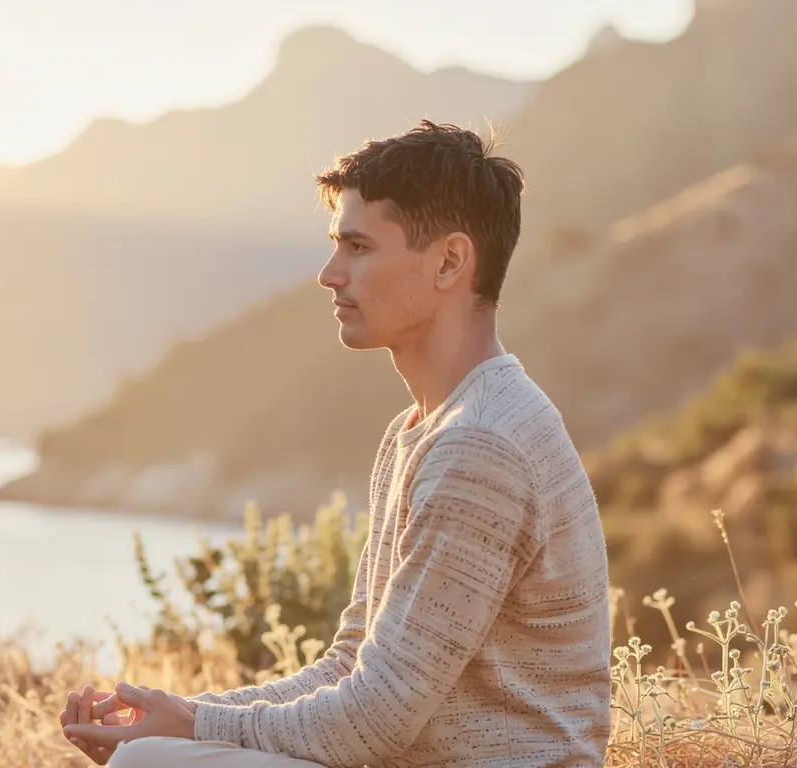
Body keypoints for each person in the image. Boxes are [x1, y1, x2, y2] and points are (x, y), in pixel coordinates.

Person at [58, 120, 613, 767]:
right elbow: (350, 667)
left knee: (147, 764)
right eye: (335, 246)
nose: (330, 274)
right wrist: (183, 718)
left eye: (358, 247)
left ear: (450, 261)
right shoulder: (419, 431)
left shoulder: (480, 447)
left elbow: (371, 726)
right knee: (152, 754)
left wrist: (189, 728)